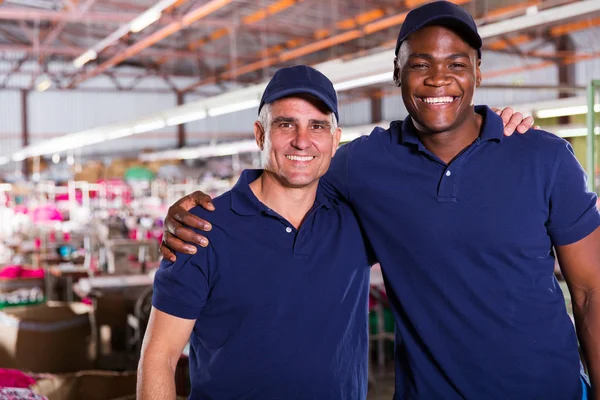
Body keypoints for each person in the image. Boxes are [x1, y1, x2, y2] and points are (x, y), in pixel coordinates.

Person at [160, 2, 600, 400]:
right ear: (397, 72)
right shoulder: (364, 164)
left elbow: (590, 293)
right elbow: (291, 176)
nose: (438, 78)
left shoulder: (542, 156)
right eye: (421, 63)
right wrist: (189, 212)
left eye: (456, 63)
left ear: (478, 73)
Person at [137, 65, 374, 400]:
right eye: (285, 124)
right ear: (260, 134)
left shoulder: (358, 218)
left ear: (335, 140)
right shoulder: (203, 230)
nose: (302, 140)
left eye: (317, 126)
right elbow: (159, 357)